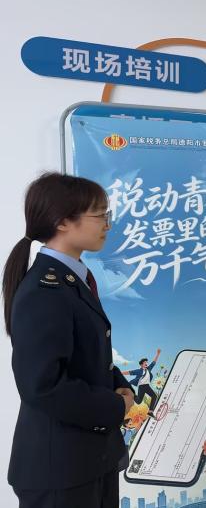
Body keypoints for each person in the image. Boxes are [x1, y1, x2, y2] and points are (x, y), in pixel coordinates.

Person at [3, 172, 135, 508]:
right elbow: (43, 386)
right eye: (100, 215)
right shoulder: (44, 290)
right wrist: (114, 406)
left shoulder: (73, 278)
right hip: (59, 470)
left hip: (89, 458)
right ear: (63, 222)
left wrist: (122, 387)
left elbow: (87, 357)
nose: (107, 224)